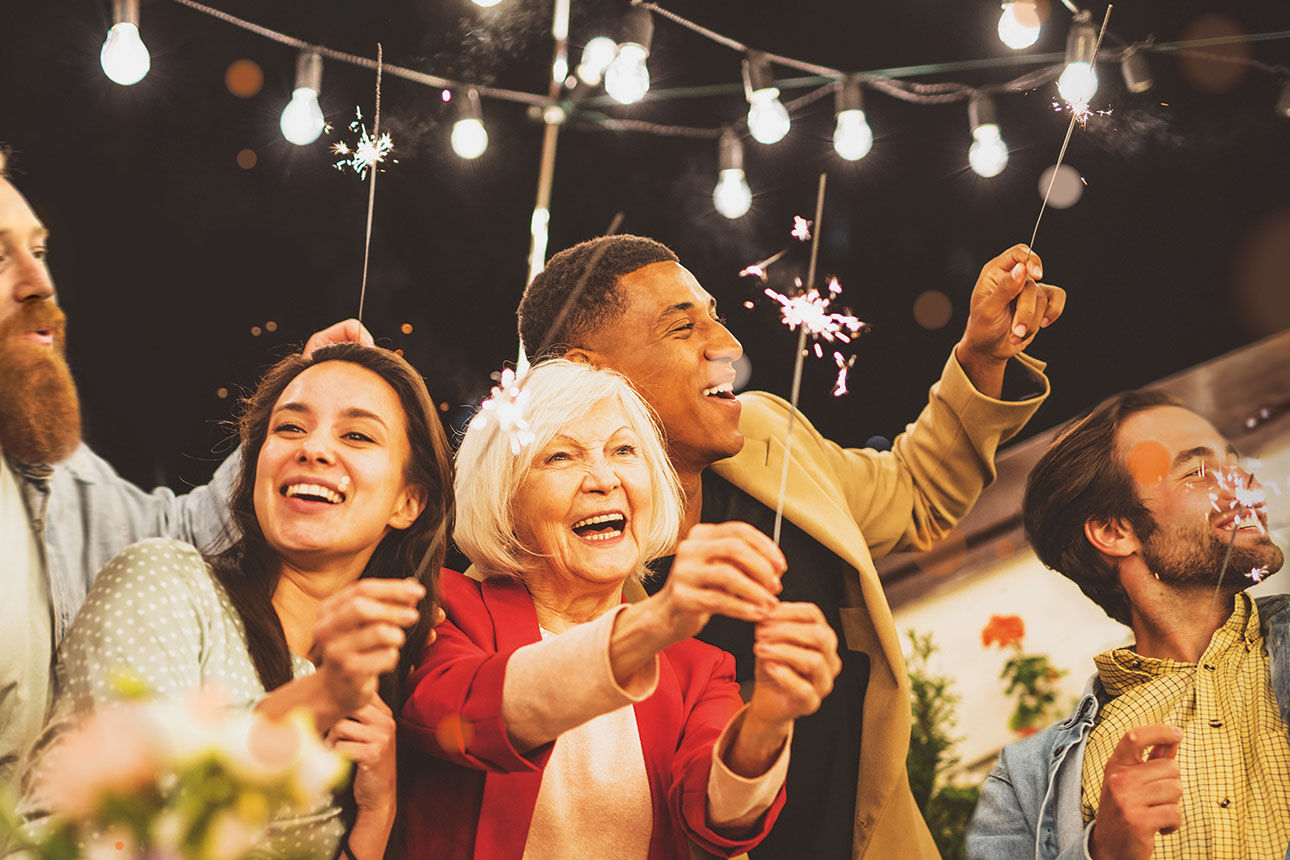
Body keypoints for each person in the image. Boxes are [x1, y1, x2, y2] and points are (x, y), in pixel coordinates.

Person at [515, 234, 1062, 858]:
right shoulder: (543, 574)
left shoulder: (767, 435)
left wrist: (982, 358)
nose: (727, 347)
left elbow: (915, 494)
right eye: (681, 328)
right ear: (592, 372)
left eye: (715, 317)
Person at [0, 150, 374, 787]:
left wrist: (283, 435)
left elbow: (173, 537)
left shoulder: (50, 476)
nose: (40, 283)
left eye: (40, 251)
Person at [16, 343, 454, 859]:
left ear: (408, 502)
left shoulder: (386, 691)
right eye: (289, 427)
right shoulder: (166, 583)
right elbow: (110, 828)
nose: (313, 448)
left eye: (356, 435)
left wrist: (376, 817)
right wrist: (314, 701)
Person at [399, 359, 842, 859]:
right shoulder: (442, 605)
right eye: (560, 457)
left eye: (624, 450)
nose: (603, 479)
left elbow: (718, 821)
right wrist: (658, 622)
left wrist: (768, 720)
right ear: (503, 496)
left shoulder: (701, 669)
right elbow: (463, 717)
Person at [966, 390, 1288, 860]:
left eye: (1234, 461)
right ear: (1115, 532)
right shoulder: (1023, 783)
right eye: (1197, 472)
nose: (1243, 481)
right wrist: (1101, 853)